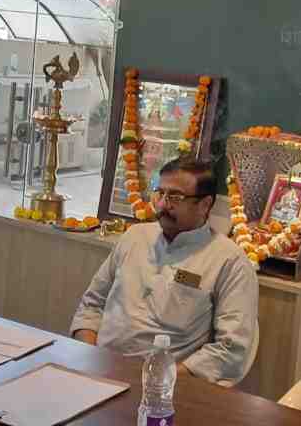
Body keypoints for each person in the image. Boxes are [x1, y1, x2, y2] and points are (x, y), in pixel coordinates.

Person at [71, 157, 258, 386]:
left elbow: (231, 349)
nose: (162, 204)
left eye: (175, 197)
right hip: (98, 369)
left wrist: (159, 378)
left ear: (205, 204)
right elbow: (92, 305)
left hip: (166, 387)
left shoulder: (229, 261)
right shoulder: (134, 237)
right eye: (160, 193)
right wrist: (89, 356)